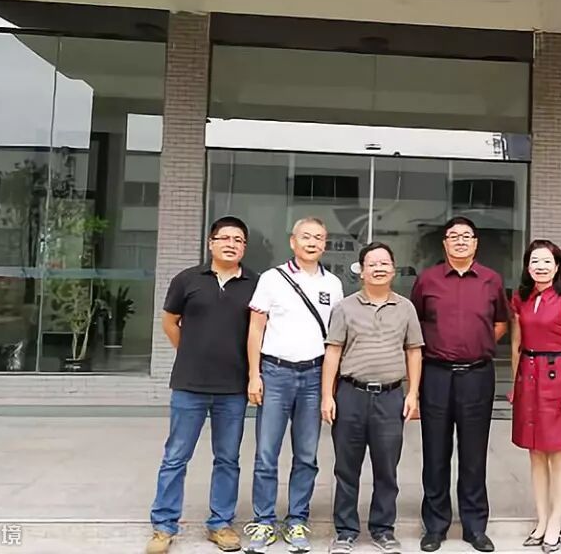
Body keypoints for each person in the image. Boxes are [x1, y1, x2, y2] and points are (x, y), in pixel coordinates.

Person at [147, 216, 258, 554]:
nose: (231, 244)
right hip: (189, 385)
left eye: (238, 240)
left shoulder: (255, 283)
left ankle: (220, 524)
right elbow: (170, 322)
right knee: (176, 456)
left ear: (244, 247)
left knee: (227, 459)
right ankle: (164, 526)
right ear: (211, 243)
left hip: (233, 387)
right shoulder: (187, 279)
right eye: (224, 238)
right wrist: (191, 352)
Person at [245, 218, 345, 554]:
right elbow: (256, 329)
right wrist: (254, 374)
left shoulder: (333, 284)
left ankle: (297, 519)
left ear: (325, 244)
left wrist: (330, 387)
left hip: (314, 376)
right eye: (306, 237)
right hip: (275, 374)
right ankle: (264, 521)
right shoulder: (271, 279)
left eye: (318, 238)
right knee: (266, 453)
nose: (312, 242)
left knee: (306, 455)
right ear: (293, 241)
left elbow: (336, 338)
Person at [411, 216, 509, 553]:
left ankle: (474, 526)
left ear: (476, 243)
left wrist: (477, 343)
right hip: (436, 375)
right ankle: (435, 526)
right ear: (445, 243)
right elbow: (415, 325)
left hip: (477, 375)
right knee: (435, 453)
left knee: (473, 455)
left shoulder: (491, 280)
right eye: (454, 236)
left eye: (467, 236)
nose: (460, 241)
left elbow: (500, 322)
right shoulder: (428, 280)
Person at [322, 242, 424, 554]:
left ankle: (383, 529)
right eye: (372, 264)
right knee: (346, 468)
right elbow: (333, 352)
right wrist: (327, 395)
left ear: (393, 269)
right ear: (361, 271)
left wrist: (413, 394)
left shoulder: (406, 308)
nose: (378, 268)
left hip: (390, 397)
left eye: (384, 263)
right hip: (350, 395)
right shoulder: (345, 307)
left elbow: (414, 351)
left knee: (386, 469)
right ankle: (345, 531)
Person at [509, 240, 561, 554]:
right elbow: (517, 344)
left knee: (558, 453)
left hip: (558, 376)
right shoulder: (521, 298)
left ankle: (556, 521)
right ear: (527, 266)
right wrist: (514, 383)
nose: (540, 267)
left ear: (557, 266)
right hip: (528, 376)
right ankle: (541, 521)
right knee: (535, 452)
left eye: (546, 261)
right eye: (534, 261)